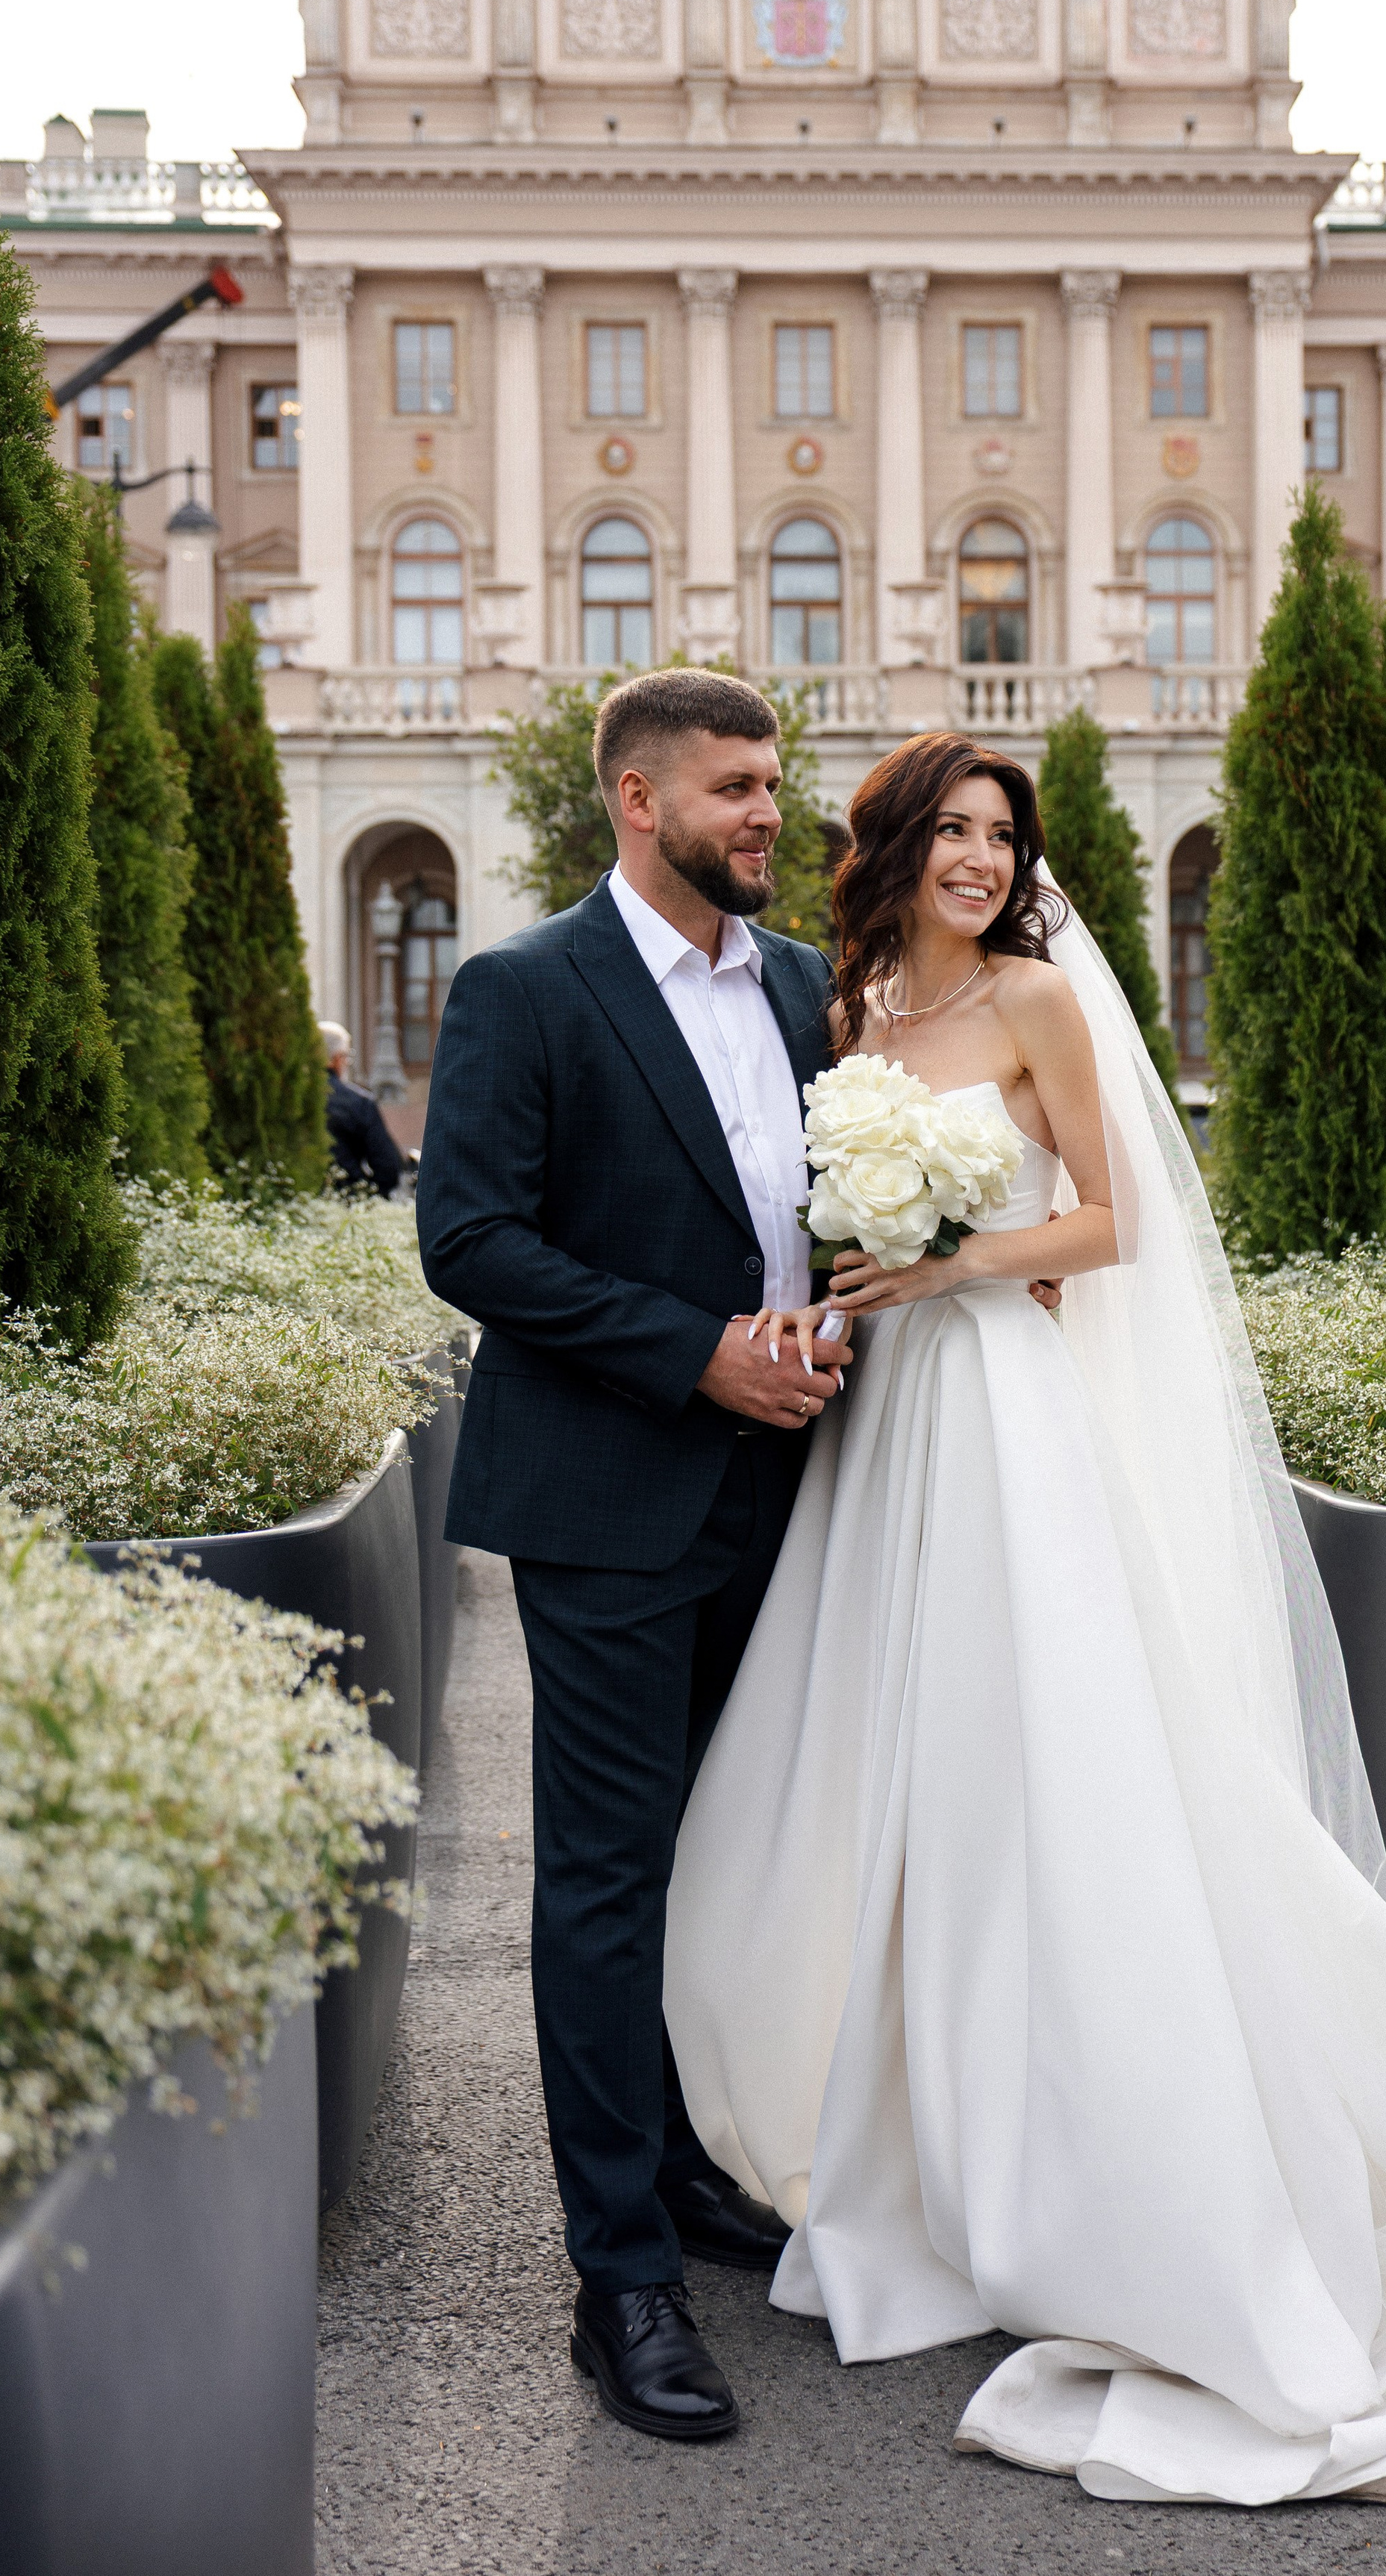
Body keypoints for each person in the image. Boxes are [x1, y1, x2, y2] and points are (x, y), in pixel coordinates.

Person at [664, 732, 1386, 2510]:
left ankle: (1092, 2158)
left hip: (1005, 1407)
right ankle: (913, 2148)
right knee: (889, 1768)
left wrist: (941, 1257)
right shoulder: (849, 1003)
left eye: (998, 835)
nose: (975, 857)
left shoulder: (1034, 997)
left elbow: (1101, 1227)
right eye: (948, 828)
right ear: (893, 843)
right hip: (888, 1431)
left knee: (1041, 1766)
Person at [416, 672, 851, 2445]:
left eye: (772, 784)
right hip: (607, 1500)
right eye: (734, 788)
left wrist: (848, 1321)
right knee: (603, 1884)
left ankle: (677, 2168)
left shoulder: (809, 987)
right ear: (635, 797)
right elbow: (470, 1238)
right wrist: (695, 1348)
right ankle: (620, 2275)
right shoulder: (524, 988)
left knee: (720, 1852)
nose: (766, 812)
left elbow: (830, 1211)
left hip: (787, 1490)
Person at [321, 1023, 405, 1198]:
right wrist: (368, 1194)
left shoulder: (286, 1098)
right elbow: (388, 1166)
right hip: (348, 1201)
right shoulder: (358, 1103)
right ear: (338, 1059)